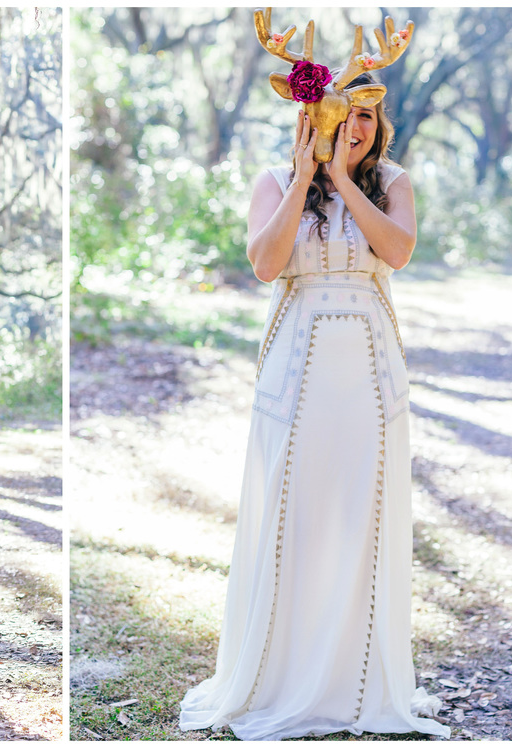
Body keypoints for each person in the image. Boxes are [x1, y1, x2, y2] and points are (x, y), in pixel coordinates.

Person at [179, 77, 451, 739]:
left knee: (364, 515)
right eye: (339, 116)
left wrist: (344, 178)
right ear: (310, 119)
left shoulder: (393, 181)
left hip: (368, 368)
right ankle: (279, 676)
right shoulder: (275, 180)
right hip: (295, 372)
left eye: (364, 116)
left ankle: (356, 686)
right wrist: (307, 176)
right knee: (292, 516)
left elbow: (399, 251)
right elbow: (267, 264)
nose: (353, 126)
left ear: (376, 122)